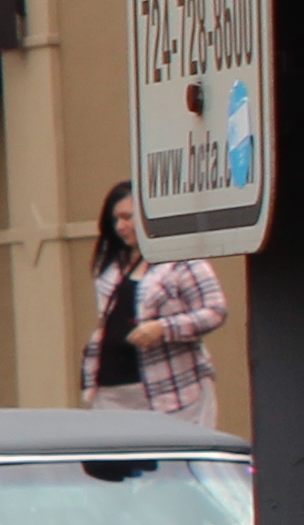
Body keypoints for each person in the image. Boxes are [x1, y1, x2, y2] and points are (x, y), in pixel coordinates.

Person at [85, 178, 229, 422]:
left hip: (170, 390)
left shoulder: (183, 260)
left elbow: (215, 311)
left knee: (175, 458)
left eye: (128, 218)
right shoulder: (112, 264)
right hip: (112, 392)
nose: (121, 226)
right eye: (116, 219)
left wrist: (162, 328)